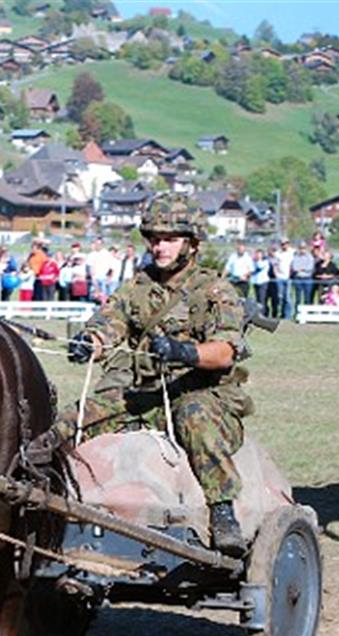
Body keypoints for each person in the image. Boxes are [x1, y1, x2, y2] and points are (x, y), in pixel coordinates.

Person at [55, 193, 252, 556]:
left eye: (170, 239)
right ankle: (49, 506)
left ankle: (223, 512)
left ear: (191, 244)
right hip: (142, 395)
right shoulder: (137, 287)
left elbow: (225, 352)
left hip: (203, 398)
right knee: (67, 423)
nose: (159, 246)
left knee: (193, 416)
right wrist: (90, 343)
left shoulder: (215, 290)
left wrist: (183, 352)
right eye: (154, 239)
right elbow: (109, 325)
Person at [290, 240, 316, 308]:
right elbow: (294, 267)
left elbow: (309, 268)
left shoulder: (310, 257)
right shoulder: (296, 256)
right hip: (298, 278)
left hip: (307, 278)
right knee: (298, 298)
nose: (302, 249)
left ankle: (307, 314)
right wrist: (302, 269)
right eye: (300, 248)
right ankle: (297, 313)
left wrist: (301, 269)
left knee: (307, 297)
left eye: (303, 248)